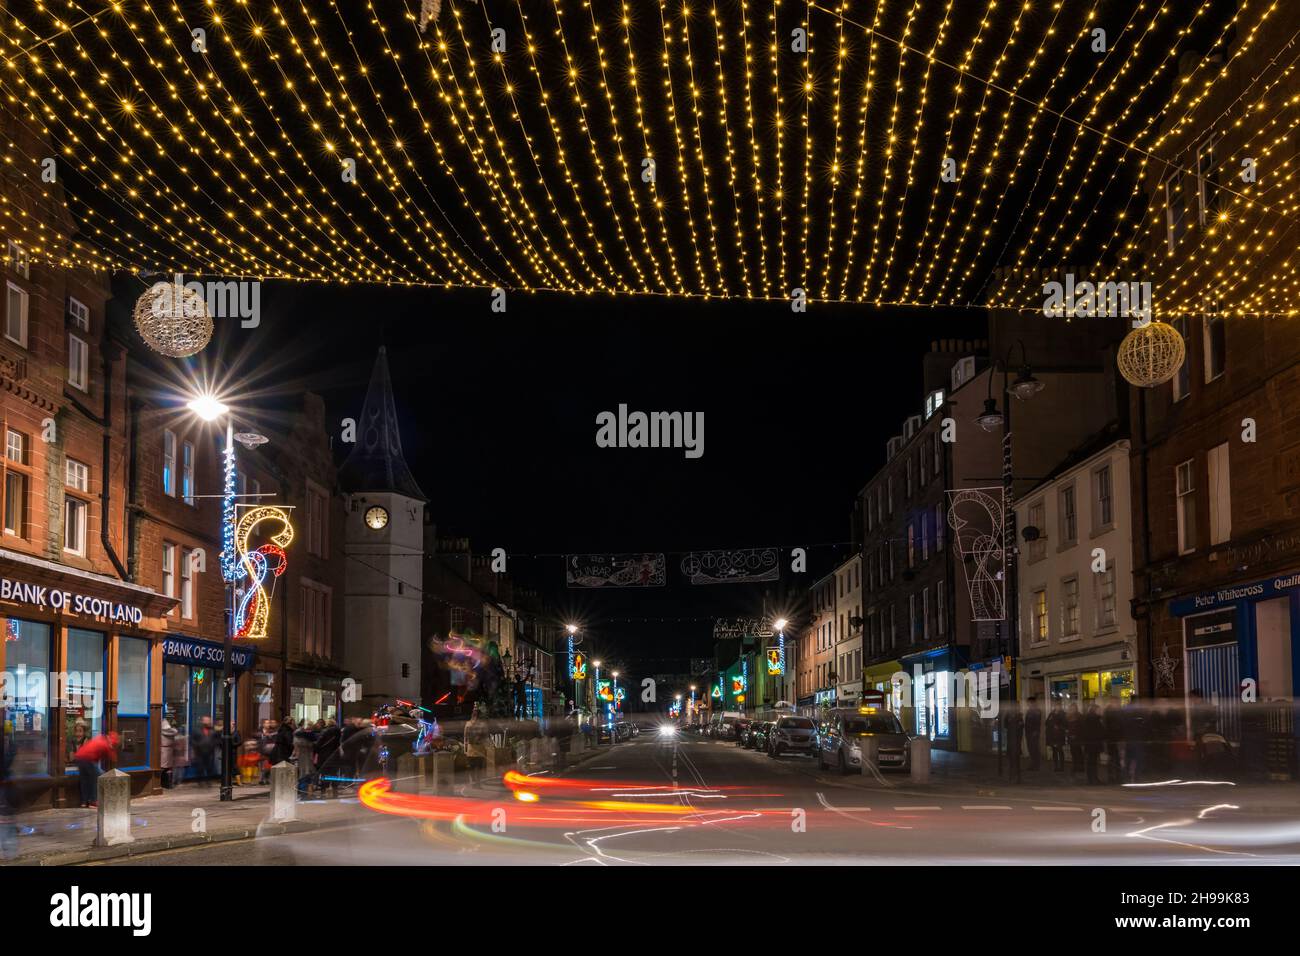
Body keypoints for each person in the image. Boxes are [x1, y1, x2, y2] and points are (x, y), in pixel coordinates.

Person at [72, 731, 120, 808]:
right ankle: (93, 801)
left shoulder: (99, 739)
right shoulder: (105, 744)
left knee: (84, 780)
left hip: (79, 757)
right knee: (97, 778)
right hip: (89, 759)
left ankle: (84, 802)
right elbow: (113, 758)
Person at [1102, 697, 1125, 784]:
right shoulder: (1108, 712)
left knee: (1118, 758)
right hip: (1111, 738)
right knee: (1112, 758)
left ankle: (1118, 776)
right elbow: (1106, 726)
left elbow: (1123, 725)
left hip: (1117, 738)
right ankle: (1111, 776)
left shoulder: (1119, 712)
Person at [190, 716, 220, 785]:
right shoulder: (197, 730)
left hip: (210, 752)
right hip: (199, 752)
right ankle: (199, 782)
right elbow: (192, 740)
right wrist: (197, 745)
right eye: (205, 720)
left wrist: (213, 744)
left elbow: (218, 740)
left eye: (208, 720)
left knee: (209, 767)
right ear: (202, 721)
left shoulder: (213, 731)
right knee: (200, 767)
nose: (206, 722)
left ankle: (208, 781)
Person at [1083, 703, 1105, 785]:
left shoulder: (1091, 719)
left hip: (1091, 744)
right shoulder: (1094, 719)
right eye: (1099, 710)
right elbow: (1098, 731)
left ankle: (1092, 778)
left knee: (1092, 762)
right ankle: (1093, 779)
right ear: (1095, 710)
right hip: (1093, 744)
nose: (1100, 711)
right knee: (1092, 762)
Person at [1003, 700, 1023, 783]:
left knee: (1016, 761)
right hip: (1011, 741)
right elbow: (1005, 725)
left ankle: (1017, 778)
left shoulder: (1019, 716)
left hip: (1016, 742)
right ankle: (1012, 777)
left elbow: (1021, 729)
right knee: (1011, 760)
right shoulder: (1009, 715)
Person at [1045, 700, 1068, 772]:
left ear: (1060, 706)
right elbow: (1046, 722)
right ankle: (1056, 766)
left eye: (1058, 706)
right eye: (1056, 706)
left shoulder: (1063, 714)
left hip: (1059, 736)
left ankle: (1062, 767)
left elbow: (1065, 724)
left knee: (1060, 751)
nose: (1057, 707)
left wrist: (1059, 727)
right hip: (1052, 735)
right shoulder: (1051, 714)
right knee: (1054, 751)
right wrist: (1051, 724)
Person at [1024, 697, 1043, 772]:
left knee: (1035, 749)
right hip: (1028, 733)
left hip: (1033, 734)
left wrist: (1035, 732)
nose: (1028, 704)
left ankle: (1036, 765)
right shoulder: (1029, 711)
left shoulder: (1037, 711)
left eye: (1028, 702)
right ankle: (1032, 764)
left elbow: (1037, 723)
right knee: (1031, 749)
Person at [1066, 703, 1085, 779]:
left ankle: (1080, 767)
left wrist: (1077, 735)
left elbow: (1082, 727)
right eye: (1072, 708)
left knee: (1078, 752)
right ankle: (1075, 766)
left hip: (1078, 737)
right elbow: (1067, 726)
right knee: (1073, 752)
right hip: (1071, 737)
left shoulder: (1080, 716)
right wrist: (1068, 733)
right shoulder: (1069, 716)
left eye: (1074, 708)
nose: (1073, 709)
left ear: (1076, 708)